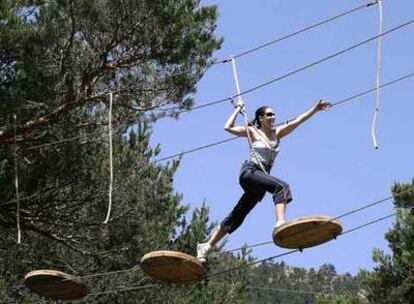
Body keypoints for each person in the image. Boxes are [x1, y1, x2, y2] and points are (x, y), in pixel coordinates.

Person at [196, 98, 332, 263]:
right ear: (261, 118)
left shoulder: (277, 133)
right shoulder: (253, 132)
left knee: (238, 216)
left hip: (259, 182)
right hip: (250, 172)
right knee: (282, 187)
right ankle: (280, 223)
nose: (273, 117)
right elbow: (228, 127)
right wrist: (238, 109)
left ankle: (206, 246)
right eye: (269, 115)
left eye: (274, 114)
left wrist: (315, 109)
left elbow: (297, 121)